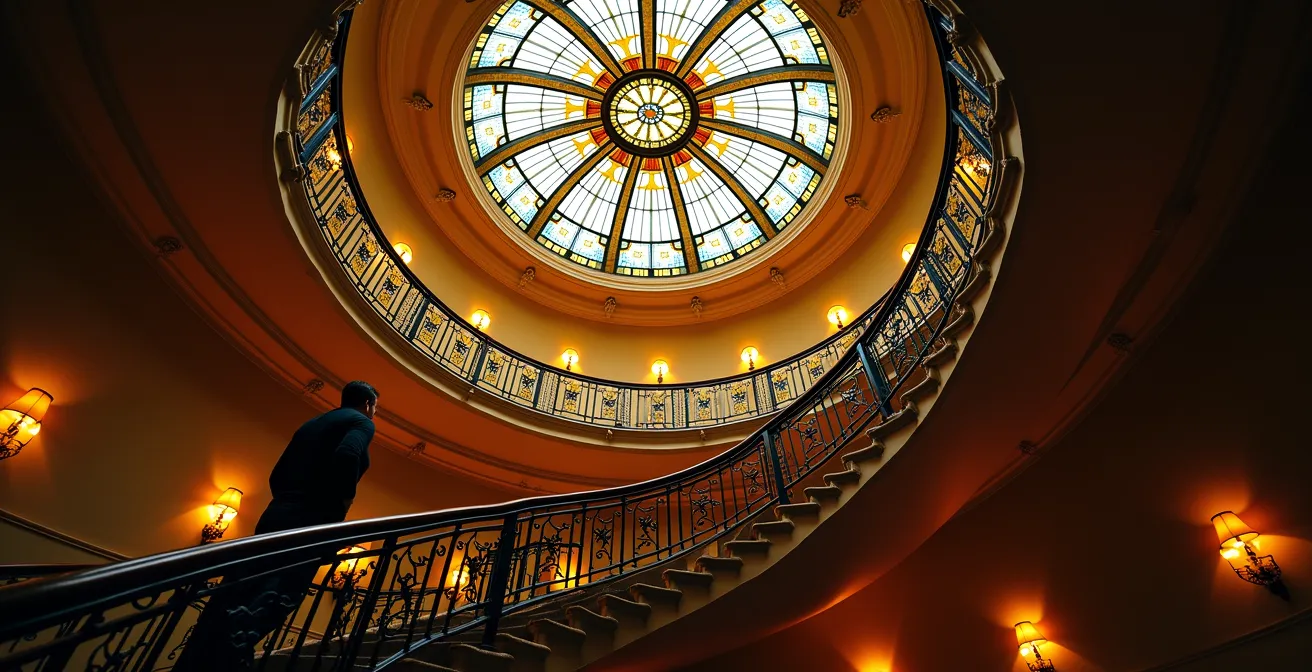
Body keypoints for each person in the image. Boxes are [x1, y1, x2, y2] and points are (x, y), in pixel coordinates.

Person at [172, 381, 379, 671]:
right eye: (375, 409)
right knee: (275, 597)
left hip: (277, 512)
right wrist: (340, 507)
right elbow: (348, 454)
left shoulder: (314, 423)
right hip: (309, 519)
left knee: (241, 591)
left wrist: (285, 497)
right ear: (369, 405)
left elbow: (278, 473)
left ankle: (198, 661)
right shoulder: (361, 422)